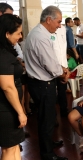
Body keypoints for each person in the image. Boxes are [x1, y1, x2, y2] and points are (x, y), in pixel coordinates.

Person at [24, 6, 69, 160]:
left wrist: (60, 68)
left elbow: (50, 61)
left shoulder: (37, 33)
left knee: (46, 117)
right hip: (43, 85)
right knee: (47, 119)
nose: (59, 26)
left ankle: (48, 143)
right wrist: (63, 73)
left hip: (39, 82)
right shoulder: (41, 37)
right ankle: (48, 154)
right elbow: (51, 66)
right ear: (49, 19)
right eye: (58, 22)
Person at [0, 14, 27, 160]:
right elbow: (7, 87)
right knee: (8, 150)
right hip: (5, 109)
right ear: (7, 33)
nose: (20, 36)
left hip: (10, 107)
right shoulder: (2, 54)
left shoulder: (7, 50)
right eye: (18, 33)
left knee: (15, 145)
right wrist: (20, 112)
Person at [52, 25, 69, 117]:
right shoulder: (46, 31)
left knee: (62, 91)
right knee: (51, 93)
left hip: (63, 68)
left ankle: (64, 110)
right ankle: (53, 116)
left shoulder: (62, 29)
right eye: (58, 21)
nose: (59, 24)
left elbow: (63, 51)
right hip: (51, 69)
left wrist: (66, 68)